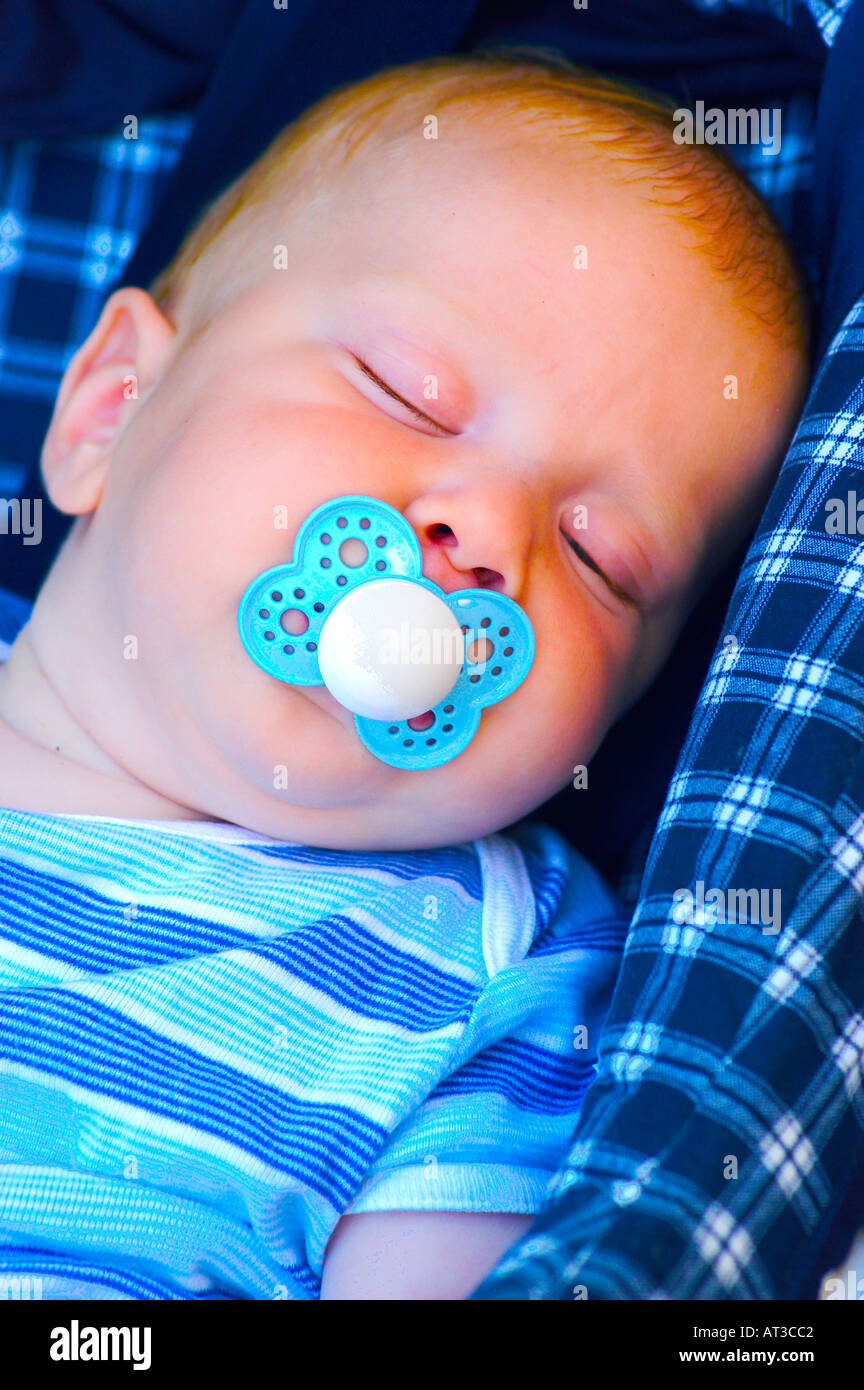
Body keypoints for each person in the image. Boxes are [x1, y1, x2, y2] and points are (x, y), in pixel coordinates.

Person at [0, 54, 809, 1299]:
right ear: (115, 407)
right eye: (409, 395)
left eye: (600, 557)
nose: (490, 532)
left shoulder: (506, 966)